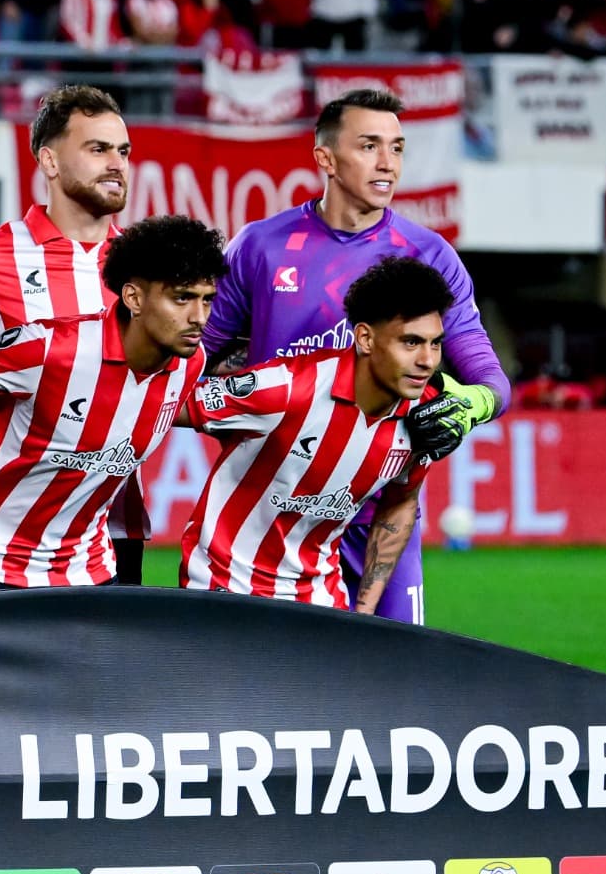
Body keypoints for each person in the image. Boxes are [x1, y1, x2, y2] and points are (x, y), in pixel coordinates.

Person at [202, 88, 512, 624]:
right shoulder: (260, 247)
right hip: (269, 517)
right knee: (263, 692)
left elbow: (487, 375)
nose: (387, 162)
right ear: (325, 158)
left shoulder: (429, 255)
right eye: (369, 145)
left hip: (378, 509)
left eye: (396, 147)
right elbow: (193, 361)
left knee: (396, 683)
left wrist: (474, 403)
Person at [0, 215, 225, 593]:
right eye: (182, 298)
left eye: (207, 300)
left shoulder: (191, 362)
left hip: (88, 569)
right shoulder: (48, 349)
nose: (199, 318)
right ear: (134, 298)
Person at [0, 84, 152, 585]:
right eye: (98, 149)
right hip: (1, 538)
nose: (117, 163)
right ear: (50, 161)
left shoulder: (147, 269)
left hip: (112, 532)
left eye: (123, 151)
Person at [180, 256, 450, 614]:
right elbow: (169, 406)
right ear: (366, 338)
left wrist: (364, 609)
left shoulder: (424, 418)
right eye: (411, 342)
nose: (427, 361)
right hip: (225, 590)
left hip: (321, 602)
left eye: (435, 344)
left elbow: (401, 500)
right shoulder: (285, 387)